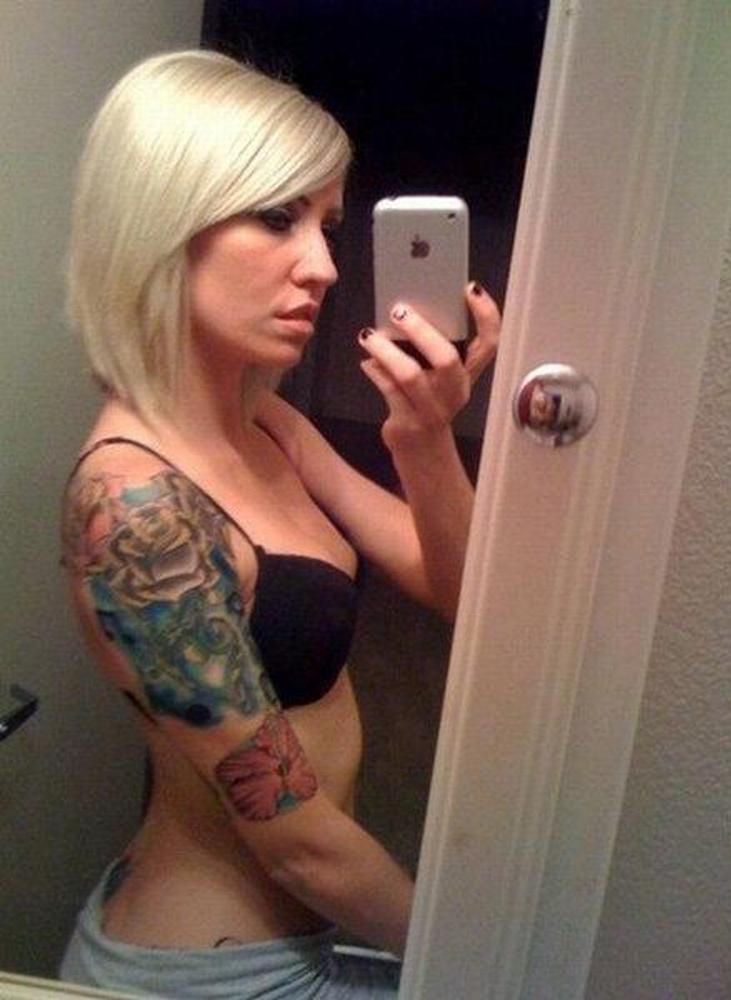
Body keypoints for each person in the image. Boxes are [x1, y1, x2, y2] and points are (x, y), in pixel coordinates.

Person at [59, 49, 501, 999]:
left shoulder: (268, 425)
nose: (325, 267)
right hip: (209, 975)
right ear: (162, 221)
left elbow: (468, 596)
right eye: (276, 218)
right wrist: (483, 961)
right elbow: (296, 843)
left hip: (308, 935)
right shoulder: (134, 509)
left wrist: (425, 436)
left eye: (327, 225)